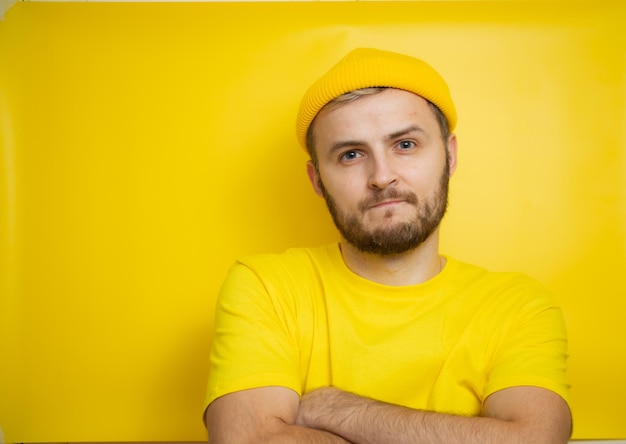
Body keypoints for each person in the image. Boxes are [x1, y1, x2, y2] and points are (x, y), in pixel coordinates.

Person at [203, 48, 572, 443]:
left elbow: (536, 439)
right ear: (316, 180)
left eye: (406, 145)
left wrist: (336, 408)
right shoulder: (265, 287)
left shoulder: (518, 305)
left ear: (449, 154)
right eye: (351, 154)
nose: (381, 176)